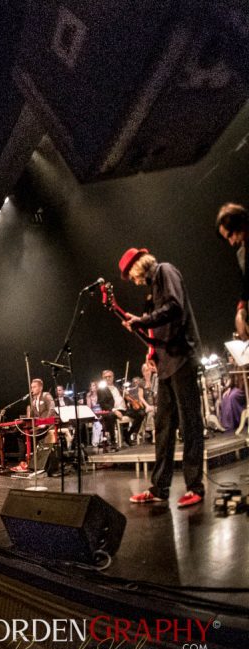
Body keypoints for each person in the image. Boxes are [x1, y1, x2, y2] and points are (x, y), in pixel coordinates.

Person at [119, 248, 205, 508]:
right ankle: (159, 487)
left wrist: (143, 320)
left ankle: (195, 486)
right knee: (164, 427)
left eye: (131, 275)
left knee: (190, 422)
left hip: (182, 358)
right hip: (166, 363)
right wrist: (151, 350)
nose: (133, 281)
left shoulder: (165, 271)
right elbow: (157, 326)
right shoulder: (151, 291)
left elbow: (174, 307)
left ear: (137, 266)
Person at [215, 202, 249, 339]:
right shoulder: (242, 254)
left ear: (239, 224)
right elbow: (246, 288)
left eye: (230, 235)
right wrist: (241, 310)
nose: (231, 242)